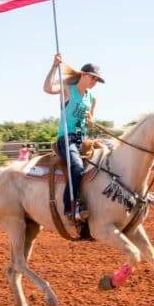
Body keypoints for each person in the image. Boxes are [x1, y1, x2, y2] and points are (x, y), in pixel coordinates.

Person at [43, 53, 103, 223]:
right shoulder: (69, 88)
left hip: (82, 140)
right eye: (93, 77)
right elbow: (47, 89)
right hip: (66, 139)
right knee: (76, 167)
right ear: (83, 75)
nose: (94, 82)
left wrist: (91, 121)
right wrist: (55, 66)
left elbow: (90, 124)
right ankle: (70, 208)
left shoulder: (92, 98)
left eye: (97, 80)